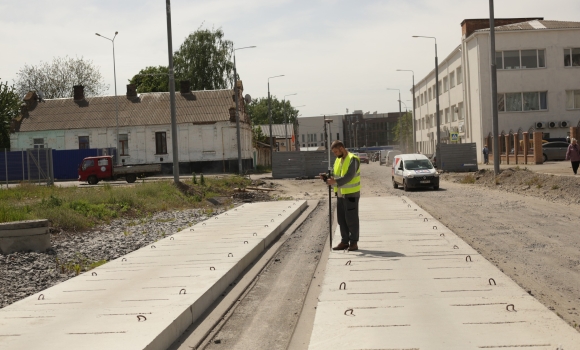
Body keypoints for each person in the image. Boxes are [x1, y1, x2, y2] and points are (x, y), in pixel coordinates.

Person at [320, 140, 361, 251]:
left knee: (351, 219)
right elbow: (335, 174)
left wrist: (335, 182)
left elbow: (349, 176)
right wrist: (326, 177)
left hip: (351, 194)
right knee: (341, 219)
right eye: (334, 152)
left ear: (342, 148)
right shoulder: (338, 160)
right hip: (340, 194)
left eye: (336, 151)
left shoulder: (353, 159)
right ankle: (344, 241)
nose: (335, 154)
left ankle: (353, 242)